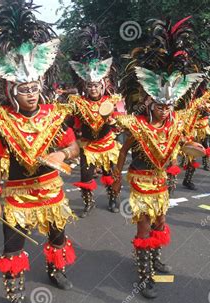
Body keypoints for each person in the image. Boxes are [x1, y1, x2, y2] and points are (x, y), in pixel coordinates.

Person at [0, 0, 79, 303]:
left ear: (40, 84)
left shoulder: (56, 115)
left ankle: (56, 270)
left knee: (58, 236)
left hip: (52, 192)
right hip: (16, 195)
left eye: (33, 87)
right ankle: (15, 295)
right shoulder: (0, 122)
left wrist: (63, 152)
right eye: (22, 88)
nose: (29, 93)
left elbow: (74, 147)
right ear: (10, 89)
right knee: (13, 244)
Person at [114, 16, 203, 299]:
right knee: (143, 224)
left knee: (160, 222)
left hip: (162, 181)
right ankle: (144, 276)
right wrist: (117, 175)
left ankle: (154, 259)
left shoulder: (175, 122)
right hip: (140, 180)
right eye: (160, 104)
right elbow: (125, 148)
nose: (165, 109)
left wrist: (195, 148)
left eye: (169, 104)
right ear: (148, 99)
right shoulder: (137, 124)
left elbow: (184, 142)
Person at [66, 25, 122, 216]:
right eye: (89, 86)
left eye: (96, 85)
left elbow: (119, 121)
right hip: (88, 146)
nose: (93, 89)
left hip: (107, 145)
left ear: (102, 85)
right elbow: (70, 122)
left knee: (109, 175)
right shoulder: (78, 103)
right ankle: (88, 204)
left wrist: (116, 123)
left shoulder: (111, 101)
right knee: (86, 176)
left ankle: (113, 200)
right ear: (85, 86)